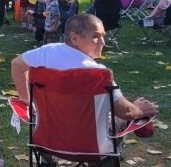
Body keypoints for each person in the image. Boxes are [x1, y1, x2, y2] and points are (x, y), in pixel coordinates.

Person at [11, 14, 159, 121]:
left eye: (103, 36)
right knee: (119, 118)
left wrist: (26, 100)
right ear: (74, 38)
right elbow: (125, 112)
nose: (102, 42)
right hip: (88, 144)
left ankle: (45, 160)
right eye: (95, 36)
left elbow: (16, 64)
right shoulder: (98, 73)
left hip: (46, 137)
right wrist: (139, 109)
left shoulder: (45, 52)